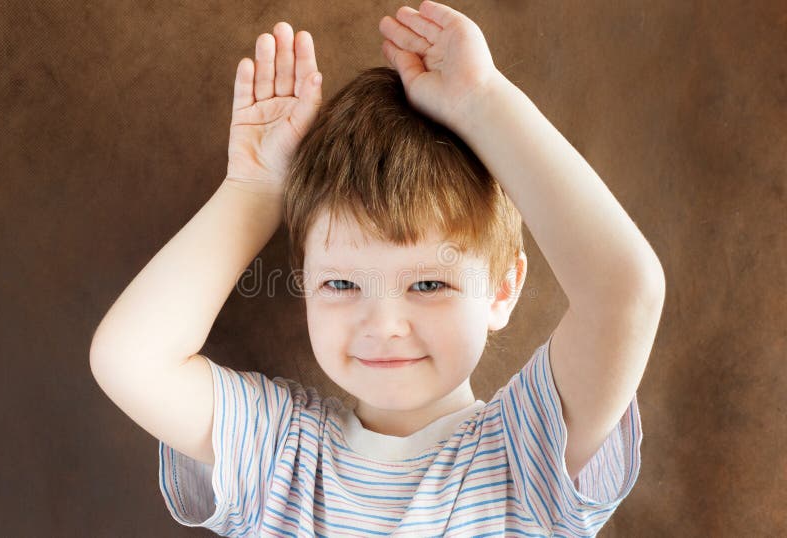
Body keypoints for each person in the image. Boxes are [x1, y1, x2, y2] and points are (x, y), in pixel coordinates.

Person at [89, 1, 665, 536]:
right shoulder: (277, 452)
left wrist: (483, 103)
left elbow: (626, 293)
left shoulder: (526, 452)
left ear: (502, 289)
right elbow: (128, 359)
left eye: (429, 283)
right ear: (306, 288)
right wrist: (256, 187)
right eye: (341, 283)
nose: (384, 323)